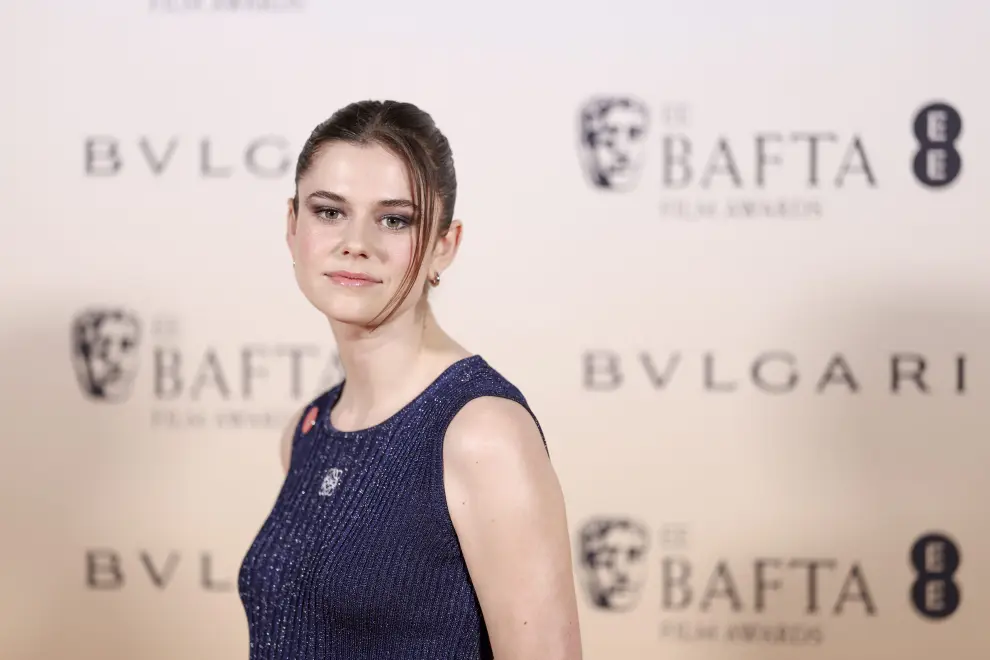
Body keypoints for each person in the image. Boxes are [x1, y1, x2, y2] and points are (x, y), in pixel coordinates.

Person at [237, 100, 583, 659]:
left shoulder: (481, 431)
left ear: (444, 244)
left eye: (394, 219)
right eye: (329, 211)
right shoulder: (308, 430)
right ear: (291, 224)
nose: (357, 242)